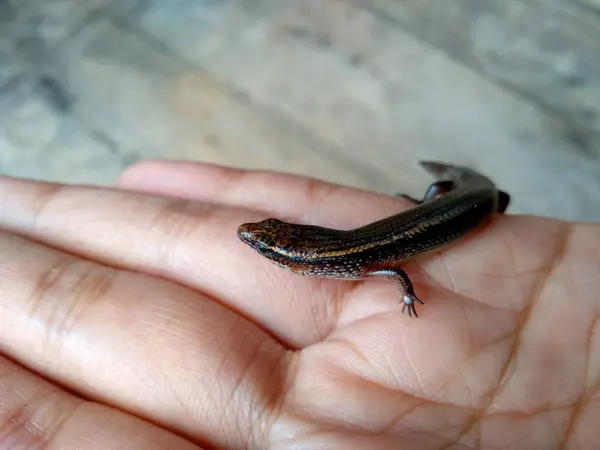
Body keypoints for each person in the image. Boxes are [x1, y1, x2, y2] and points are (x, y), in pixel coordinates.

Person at [0, 159, 596, 449]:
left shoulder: (357, 259)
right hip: (463, 199)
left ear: (296, 255)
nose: (254, 239)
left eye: (266, 240)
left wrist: (409, 291)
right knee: (472, 190)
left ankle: (448, 186)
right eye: (264, 239)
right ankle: (445, 186)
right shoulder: (340, 254)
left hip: (478, 201)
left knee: (486, 193)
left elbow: (392, 265)